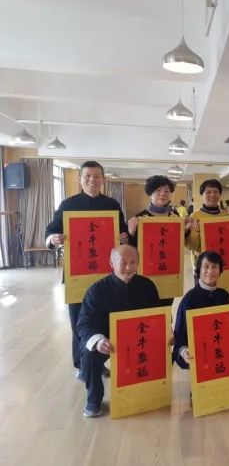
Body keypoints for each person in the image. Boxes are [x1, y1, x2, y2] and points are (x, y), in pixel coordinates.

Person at [45, 160, 129, 378]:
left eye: (96, 176)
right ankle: (82, 365)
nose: (92, 180)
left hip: (107, 274)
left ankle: (98, 363)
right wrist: (52, 239)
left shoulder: (112, 205)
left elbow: (123, 233)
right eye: (87, 176)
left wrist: (124, 237)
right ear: (79, 179)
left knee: (104, 318)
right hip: (77, 275)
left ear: (103, 179)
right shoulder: (68, 205)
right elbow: (52, 230)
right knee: (79, 322)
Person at [76, 245, 160, 417]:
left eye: (133, 262)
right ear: (111, 263)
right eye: (123, 263)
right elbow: (84, 324)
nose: (128, 268)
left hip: (139, 339)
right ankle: (94, 400)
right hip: (108, 341)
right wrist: (98, 340)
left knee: (162, 348)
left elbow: (157, 316)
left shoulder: (147, 286)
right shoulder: (96, 290)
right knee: (89, 355)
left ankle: (151, 389)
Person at [173, 251, 229, 369]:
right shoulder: (189, 299)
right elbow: (179, 336)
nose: (210, 271)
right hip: (200, 360)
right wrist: (184, 352)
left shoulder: (224, 295)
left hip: (221, 358)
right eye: (206, 267)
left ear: (220, 270)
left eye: (214, 267)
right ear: (199, 270)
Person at [127, 175, 179, 248]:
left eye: (166, 191)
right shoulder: (140, 218)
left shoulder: (175, 215)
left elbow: (179, 240)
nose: (163, 194)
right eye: (158, 190)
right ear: (150, 193)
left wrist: (186, 229)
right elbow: (133, 247)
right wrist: (131, 233)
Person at [185, 179, 226, 267]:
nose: (212, 195)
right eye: (208, 192)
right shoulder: (195, 216)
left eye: (215, 192)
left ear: (220, 194)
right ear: (202, 195)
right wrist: (196, 231)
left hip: (221, 260)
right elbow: (191, 246)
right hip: (202, 263)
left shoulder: (226, 215)